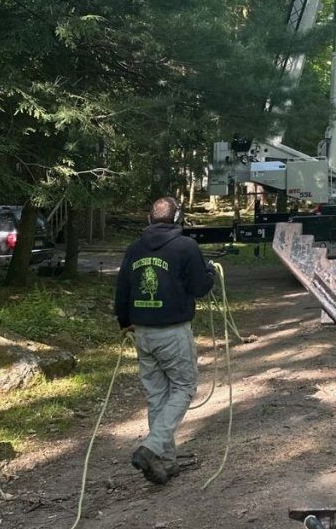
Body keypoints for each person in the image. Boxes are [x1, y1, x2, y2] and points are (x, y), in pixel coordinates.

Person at [114, 196, 215, 485]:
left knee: (157, 395)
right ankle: (152, 448)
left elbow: (122, 290)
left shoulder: (134, 249)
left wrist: (124, 323)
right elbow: (199, 287)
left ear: (149, 218)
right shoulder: (186, 247)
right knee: (184, 388)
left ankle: (166, 462)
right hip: (173, 331)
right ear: (178, 218)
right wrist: (210, 273)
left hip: (143, 333)